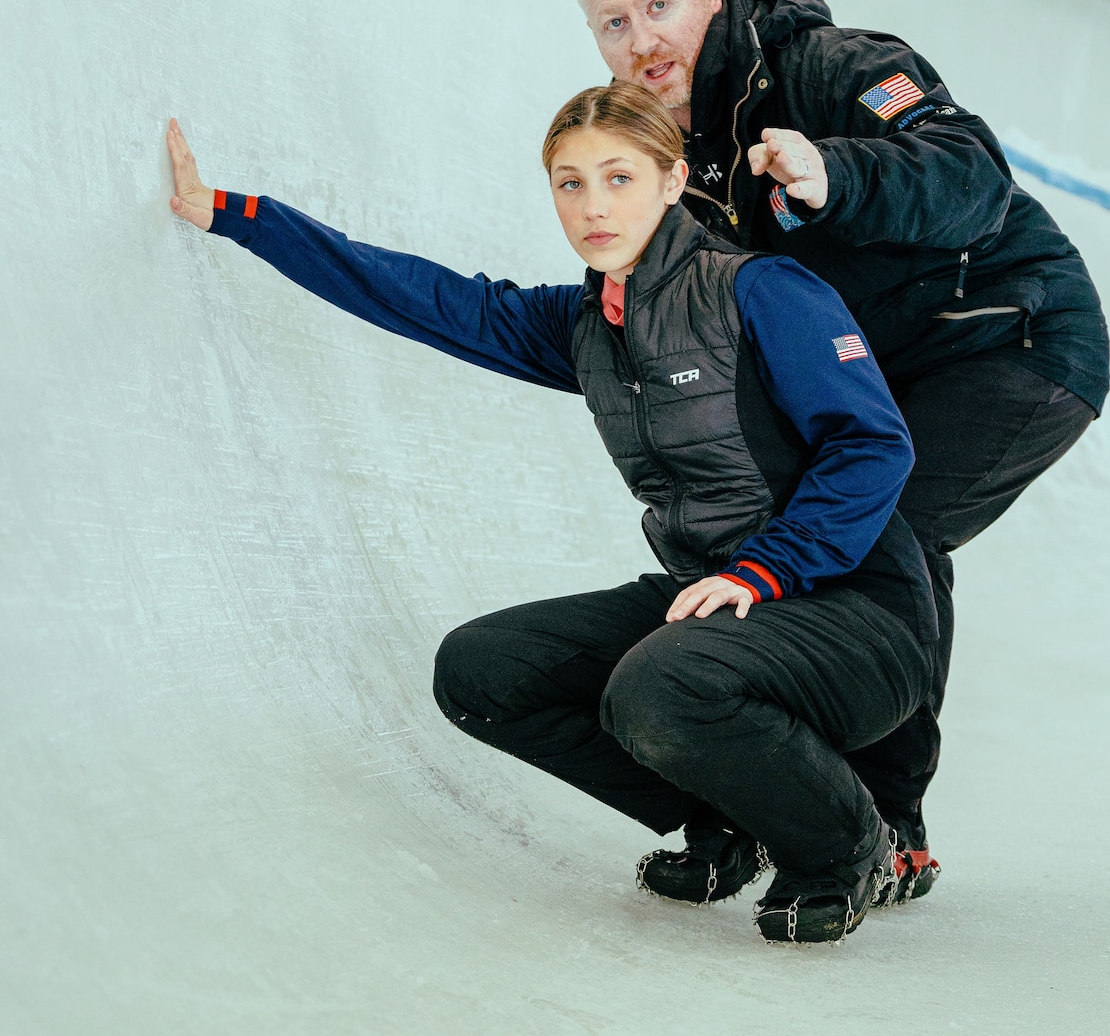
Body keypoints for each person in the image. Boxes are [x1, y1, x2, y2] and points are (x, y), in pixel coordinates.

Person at [165, 87, 940, 946]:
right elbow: (425, 298)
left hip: (853, 611)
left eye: (617, 176)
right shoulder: (584, 325)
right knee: (484, 673)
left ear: (673, 179)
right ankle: (731, 820)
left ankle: (843, 847)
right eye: (569, 184)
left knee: (660, 687)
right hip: (714, 601)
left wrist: (764, 569)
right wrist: (238, 217)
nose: (593, 205)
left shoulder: (761, 290)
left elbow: (871, 446)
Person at [565, 0, 1110, 895]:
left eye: (657, 6)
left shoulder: (834, 66)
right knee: (775, 521)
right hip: (869, 366)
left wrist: (836, 173)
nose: (639, 39)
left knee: (872, 527)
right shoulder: (656, 144)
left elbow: (972, 178)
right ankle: (747, 798)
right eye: (612, 23)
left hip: (1011, 335)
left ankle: (888, 812)